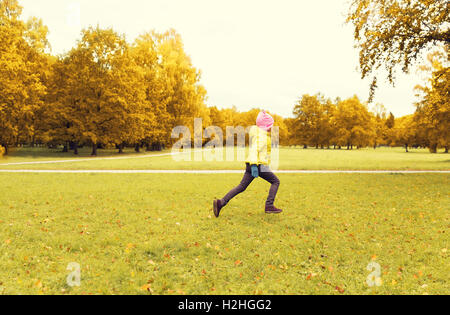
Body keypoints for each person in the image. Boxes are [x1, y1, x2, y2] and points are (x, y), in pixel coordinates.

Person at [213, 110, 282, 217]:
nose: (272, 127)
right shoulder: (262, 137)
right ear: (266, 126)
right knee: (275, 181)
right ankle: (269, 205)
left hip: (251, 164)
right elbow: (254, 150)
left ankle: (221, 202)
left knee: (241, 186)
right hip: (258, 165)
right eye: (270, 125)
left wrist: (253, 165)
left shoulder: (258, 135)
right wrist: (254, 165)